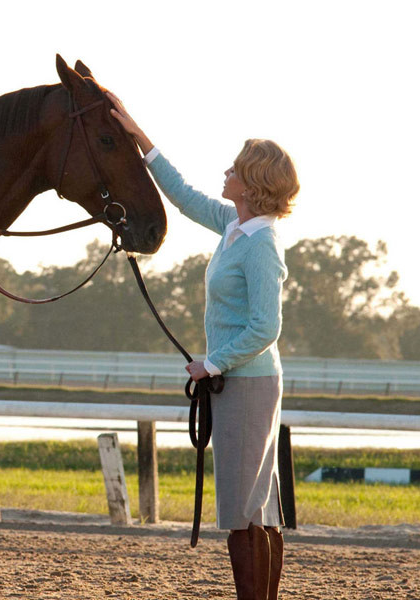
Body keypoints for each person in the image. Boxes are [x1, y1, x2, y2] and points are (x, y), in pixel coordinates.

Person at [109, 92, 299, 600]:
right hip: (243, 379)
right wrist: (137, 136)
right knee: (258, 507)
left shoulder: (261, 245)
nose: (227, 171)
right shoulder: (234, 226)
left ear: (253, 183)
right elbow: (183, 194)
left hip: (248, 380)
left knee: (243, 510)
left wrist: (212, 362)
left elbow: (265, 327)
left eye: (235, 168)